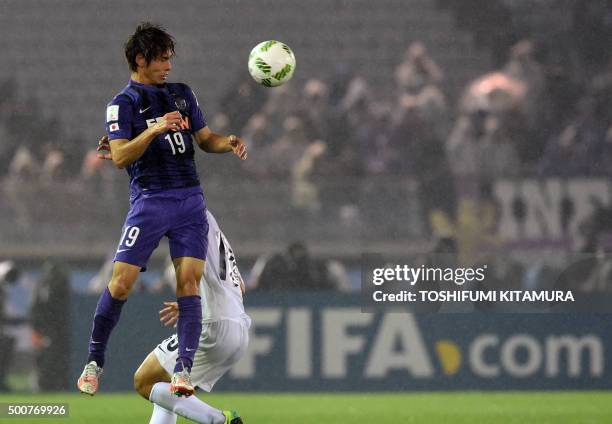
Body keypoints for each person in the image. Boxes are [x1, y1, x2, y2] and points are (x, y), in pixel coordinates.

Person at [77, 22, 247, 398]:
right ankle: (93, 362)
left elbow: (205, 140)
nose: (169, 66)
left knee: (188, 283)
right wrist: (154, 129)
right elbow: (119, 156)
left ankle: (184, 370)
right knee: (121, 283)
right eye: (162, 59)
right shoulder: (122, 104)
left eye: (170, 59)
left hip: (189, 200)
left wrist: (228, 141)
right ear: (141, 60)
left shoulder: (182, 95)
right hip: (150, 201)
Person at [135, 210, 249, 424]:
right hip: (238, 329)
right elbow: (240, 287)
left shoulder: (190, 217)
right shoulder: (217, 236)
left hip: (213, 328)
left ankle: (219, 420)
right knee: (168, 390)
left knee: (145, 381)